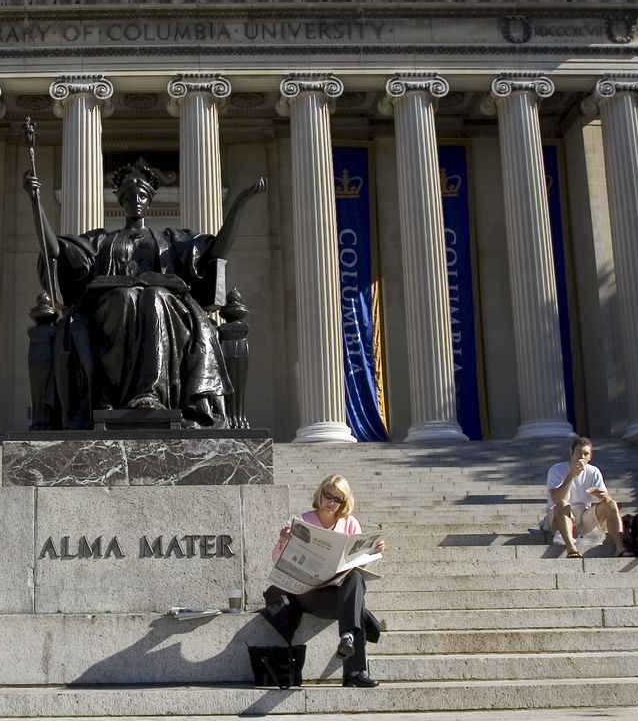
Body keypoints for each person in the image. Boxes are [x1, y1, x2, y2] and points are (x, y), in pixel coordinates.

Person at [24, 157, 266, 429]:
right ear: (120, 200)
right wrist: (36, 204)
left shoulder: (171, 240)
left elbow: (216, 251)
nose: (135, 200)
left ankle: (150, 394)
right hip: (111, 309)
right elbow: (55, 251)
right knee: (124, 297)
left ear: (149, 200)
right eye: (128, 195)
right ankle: (110, 394)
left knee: (154, 296)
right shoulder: (101, 241)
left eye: (140, 195)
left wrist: (239, 204)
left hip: (167, 310)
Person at [263, 474, 387, 688]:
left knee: (356, 577)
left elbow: (357, 566)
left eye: (337, 499)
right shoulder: (303, 522)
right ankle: (355, 672)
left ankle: (347, 638)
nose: (331, 502)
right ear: (320, 495)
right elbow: (277, 560)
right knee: (357, 606)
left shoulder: (350, 524)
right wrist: (283, 542)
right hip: (308, 594)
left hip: (337, 595)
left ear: (344, 502)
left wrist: (371, 552)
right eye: (328, 495)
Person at [542, 437, 631, 559]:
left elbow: (606, 499)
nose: (581, 456)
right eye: (578, 452)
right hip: (558, 516)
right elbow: (556, 499)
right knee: (563, 504)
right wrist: (572, 475)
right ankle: (571, 548)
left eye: (586, 454)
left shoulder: (593, 471)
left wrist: (603, 496)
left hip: (583, 515)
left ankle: (620, 548)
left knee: (611, 504)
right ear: (571, 453)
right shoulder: (557, 469)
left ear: (590, 457)